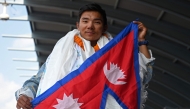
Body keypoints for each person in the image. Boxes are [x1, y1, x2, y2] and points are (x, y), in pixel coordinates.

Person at [15, 3, 155, 109]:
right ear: (78, 24)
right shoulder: (62, 51)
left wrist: (141, 41)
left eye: (97, 22)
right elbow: (37, 81)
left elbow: (140, 77)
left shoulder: (116, 53)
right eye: (85, 21)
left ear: (104, 27)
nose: (90, 26)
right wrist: (24, 95)